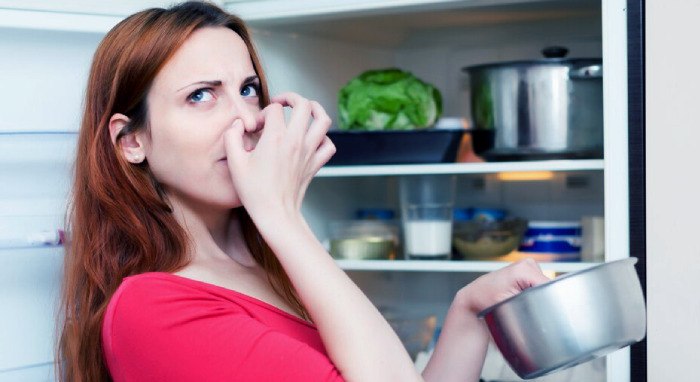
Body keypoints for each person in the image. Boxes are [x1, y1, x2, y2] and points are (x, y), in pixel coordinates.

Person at [56, 2, 549, 381]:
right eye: (201, 96)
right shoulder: (153, 308)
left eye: (248, 89)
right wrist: (280, 213)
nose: (248, 120)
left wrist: (468, 312)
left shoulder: (266, 268)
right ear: (131, 141)